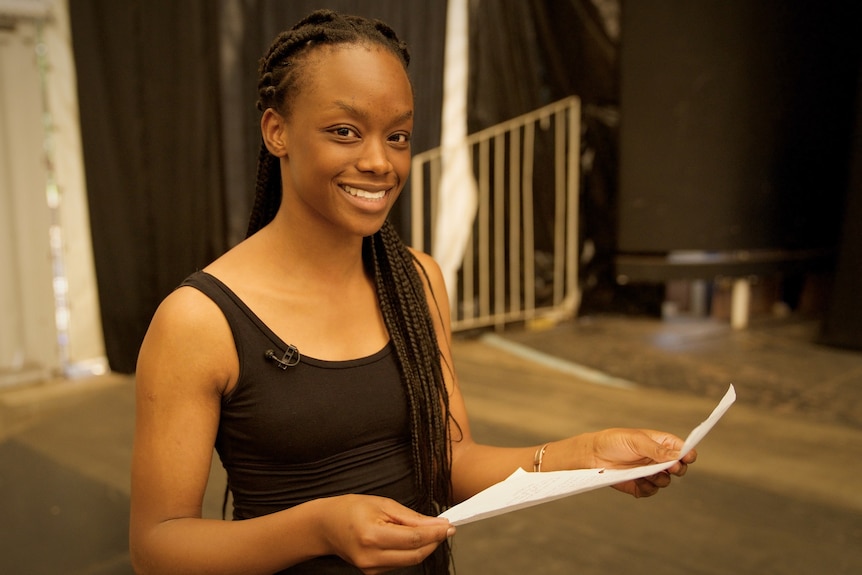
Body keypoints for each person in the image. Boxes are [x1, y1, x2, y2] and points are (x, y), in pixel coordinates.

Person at [129, 9, 696, 575]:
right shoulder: (200, 320)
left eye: (396, 135)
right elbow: (157, 547)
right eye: (345, 131)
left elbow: (449, 462)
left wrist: (587, 457)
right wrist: (318, 527)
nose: (379, 162)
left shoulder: (416, 281)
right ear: (277, 131)